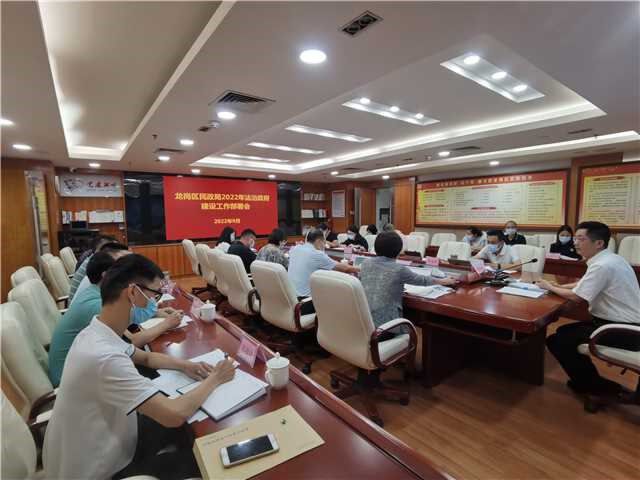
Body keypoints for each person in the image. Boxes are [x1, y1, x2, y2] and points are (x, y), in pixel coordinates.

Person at [43, 254, 236, 480]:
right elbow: (173, 414)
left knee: (186, 432)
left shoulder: (97, 330)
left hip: (112, 435)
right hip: (103, 468)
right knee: (204, 459)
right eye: (154, 295)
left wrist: (185, 365)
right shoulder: (104, 357)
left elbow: (145, 358)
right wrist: (216, 378)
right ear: (133, 293)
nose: (155, 302)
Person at [48, 252, 183, 387]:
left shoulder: (93, 292)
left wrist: (155, 313)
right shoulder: (96, 307)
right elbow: (132, 341)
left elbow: (133, 350)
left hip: (82, 371)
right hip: (71, 381)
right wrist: (166, 324)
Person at [537, 221, 640, 395]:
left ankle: (595, 388)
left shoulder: (602, 265)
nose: (575, 243)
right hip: (627, 325)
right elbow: (583, 284)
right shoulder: (612, 258)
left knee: (559, 340)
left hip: (622, 330)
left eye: (581, 239)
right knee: (562, 334)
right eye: (575, 238)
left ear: (598, 243)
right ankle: (590, 382)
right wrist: (559, 286)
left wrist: (549, 287)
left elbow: (577, 297)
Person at [360, 232, 458, 329]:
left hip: (365, 322)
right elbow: (421, 280)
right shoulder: (398, 269)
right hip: (388, 327)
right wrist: (444, 281)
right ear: (398, 250)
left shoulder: (365, 263)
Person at [288, 229, 359, 314]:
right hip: (305, 303)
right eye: (324, 243)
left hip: (291, 299)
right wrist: (361, 268)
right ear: (318, 241)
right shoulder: (316, 254)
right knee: (340, 294)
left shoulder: (296, 248)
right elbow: (346, 269)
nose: (324, 246)